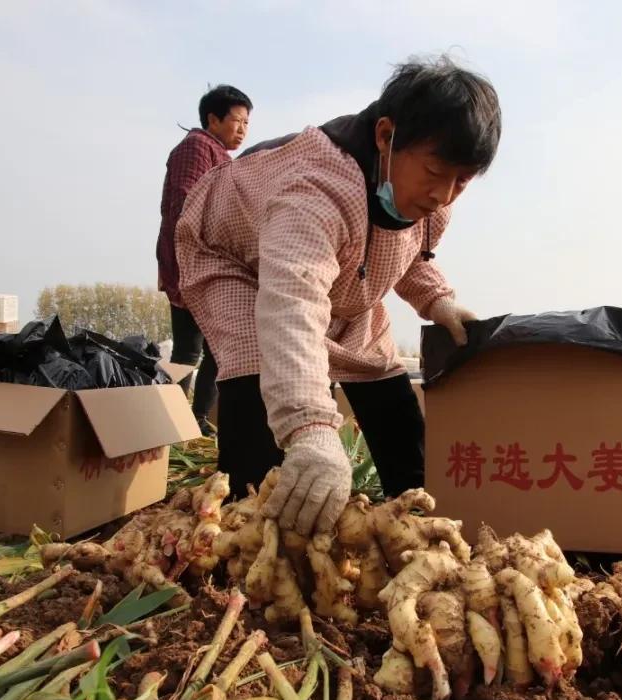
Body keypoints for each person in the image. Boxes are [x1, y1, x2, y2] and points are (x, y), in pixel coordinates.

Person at [175, 54, 501, 535]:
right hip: (232, 259)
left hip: (348, 278)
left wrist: (437, 300)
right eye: (434, 172)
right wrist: (311, 429)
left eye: (462, 180)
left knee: (386, 385)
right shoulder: (315, 191)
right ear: (386, 136)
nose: (443, 193)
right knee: (257, 360)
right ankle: (249, 528)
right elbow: (292, 306)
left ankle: (414, 516)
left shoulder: (431, 199)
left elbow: (407, 252)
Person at [156, 84, 253, 435]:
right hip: (192, 264)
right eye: (237, 121)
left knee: (212, 347)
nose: (242, 129)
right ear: (213, 118)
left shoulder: (219, 155)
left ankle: (194, 421)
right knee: (191, 349)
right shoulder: (197, 148)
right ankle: (176, 422)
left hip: (207, 264)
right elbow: (185, 204)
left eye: (246, 123)